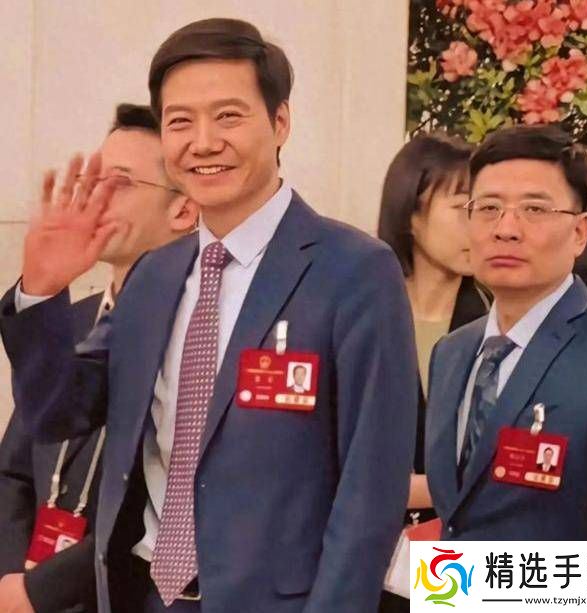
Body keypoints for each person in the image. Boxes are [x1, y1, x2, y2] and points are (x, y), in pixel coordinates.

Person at [0, 18, 417, 613]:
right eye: (180, 122)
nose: (203, 142)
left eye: (228, 116)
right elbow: (58, 412)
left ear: (280, 122)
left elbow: (370, 492)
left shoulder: (354, 272)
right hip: (146, 593)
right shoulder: (155, 276)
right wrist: (41, 293)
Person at [0, 103, 198, 613]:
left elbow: (158, 509)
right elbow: (14, 471)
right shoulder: (71, 320)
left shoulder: (200, 335)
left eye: (121, 183)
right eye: (93, 181)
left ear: (183, 210)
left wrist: (41, 591)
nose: (95, 197)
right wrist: (12, 578)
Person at [425, 125, 587, 540]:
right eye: (488, 208)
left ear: (580, 232)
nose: (506, 228)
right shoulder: (452, 352)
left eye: (534, 209)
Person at [377, 132, 489, 612]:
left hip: (460, 560)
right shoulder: (362, 314)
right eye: (464, 208)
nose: (479, 227)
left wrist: (409, 489)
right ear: (411, 212)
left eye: (483, 210)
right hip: (370, 557)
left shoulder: (496, 324)